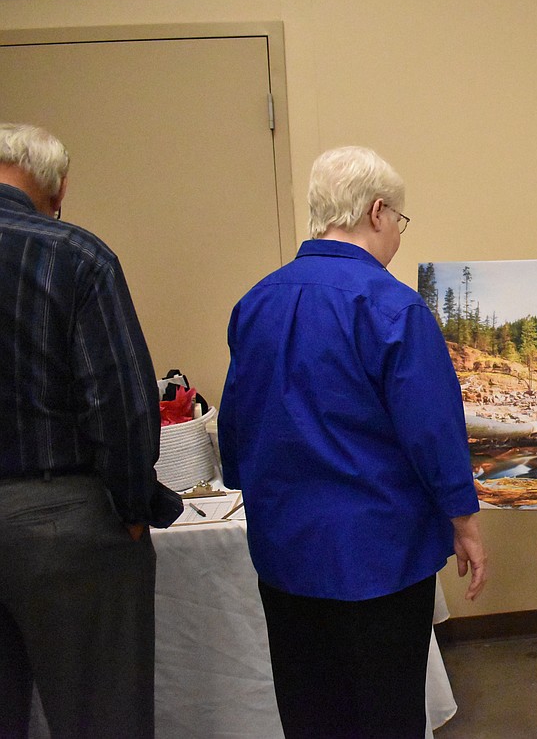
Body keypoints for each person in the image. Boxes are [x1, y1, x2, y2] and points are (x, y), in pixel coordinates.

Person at [218, 145, 487, 739]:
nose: (398, 236)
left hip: (286, 552)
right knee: (385, 713)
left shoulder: (256, 302)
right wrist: (464, 521)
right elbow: (433, 432)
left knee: (309, 710)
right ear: (377, 212)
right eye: (399, 222)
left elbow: (234, 431)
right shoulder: (393, 307)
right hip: (380, 558)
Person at [0, 122, 181, 738]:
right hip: (62, 524)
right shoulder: (74, 256)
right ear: (57, 189)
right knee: (102, 717)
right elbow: (120, 404)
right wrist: (135, 504)